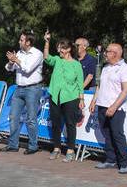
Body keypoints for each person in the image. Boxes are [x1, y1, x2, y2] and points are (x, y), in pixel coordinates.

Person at [89, 43, 127, 174]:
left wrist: (114, 106)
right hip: (102, 106)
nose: (104, 53)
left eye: (107, 51)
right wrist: (93, 101)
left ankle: (124, 163)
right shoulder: (106, 67)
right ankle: (110, 159)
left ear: (115, 53)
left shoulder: (125, 69)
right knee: (107, 134)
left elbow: (126, 90)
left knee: (117, 135)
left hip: (116, 108)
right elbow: (99, 86)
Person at [43, 32, 84, 162]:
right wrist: (47, 42)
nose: (59, 50)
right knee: (55, 123)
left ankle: (70, 150)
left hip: (71, 97)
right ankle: (56, 148)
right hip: (55, 96)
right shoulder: (57, 60)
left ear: (68, 49)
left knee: (70, 124)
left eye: (61, 48)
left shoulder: (76, 65)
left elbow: (80, 84)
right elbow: (46, 57)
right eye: (58, 48)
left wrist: (81, 99)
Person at [0, 30, 44, 154]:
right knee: (13, 117)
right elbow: (9, 69)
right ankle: (13, 144)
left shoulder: (37, 54)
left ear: (28, 42)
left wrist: (17, 60)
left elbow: (28, 69)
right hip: (19, 88)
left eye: (21, 40)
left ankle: (33, 146)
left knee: (31, 119)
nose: (19, 42)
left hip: (33, 89)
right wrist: (11, 62)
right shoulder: (19, 53)